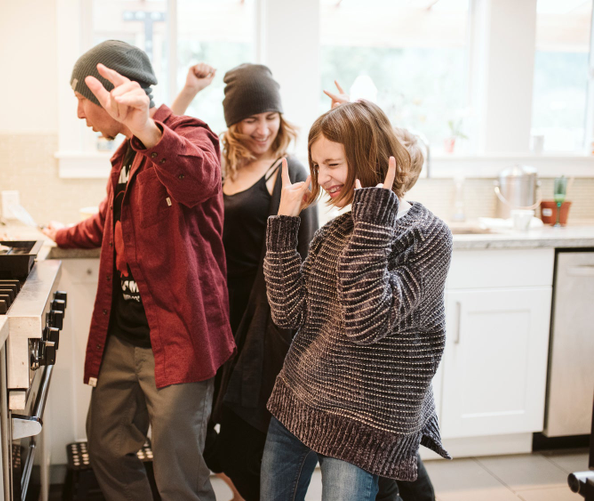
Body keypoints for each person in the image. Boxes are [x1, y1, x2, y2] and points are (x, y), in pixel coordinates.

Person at [43, 40, 235, 501]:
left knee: (178, 474)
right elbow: (108, 221)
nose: (78, 114)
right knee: (107, 447)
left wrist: (148, 128)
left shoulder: (190, 134)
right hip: (122, 334)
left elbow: (202, 179)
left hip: (178, 338)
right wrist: (61, 233)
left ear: (112, 94)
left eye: (82, 100)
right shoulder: (125, 154)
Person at [260, 99, 453, 500]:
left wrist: (371, 222)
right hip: (300, 400)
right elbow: (287, 313)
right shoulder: (334, 233)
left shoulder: (428, 235)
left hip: (365, 420)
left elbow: (366, 321)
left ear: (368, 158)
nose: (321, 178)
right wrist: (283, 225)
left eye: (332, 164)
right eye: (316, 166)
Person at [172, 63, 319, 501]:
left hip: (264, 319)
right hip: (217, 311)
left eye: (270, 117)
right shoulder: (218, 161)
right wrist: (186, 92)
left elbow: (302, 252)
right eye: (251, 119)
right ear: (233, 122)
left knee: (246, 429)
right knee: (211, 425)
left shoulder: (288, 170)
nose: (263, 129)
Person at [324, 83, 437, 501]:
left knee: (398, 464)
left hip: (394, 378)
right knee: (388, 467)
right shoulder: (359, 226)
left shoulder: (409, 233)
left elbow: (373, 311)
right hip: (371, 382)